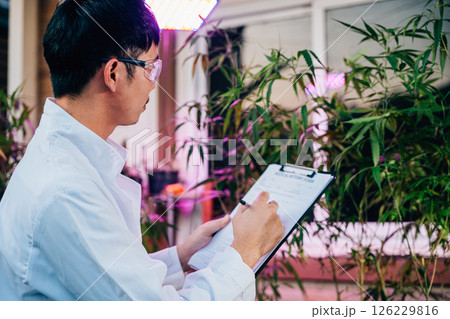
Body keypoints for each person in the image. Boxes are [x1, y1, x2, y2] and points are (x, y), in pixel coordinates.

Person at [0, 0, 283, 300]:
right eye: (152, 67)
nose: (153, 85)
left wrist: (181, 256)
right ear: (113, 73)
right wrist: (244, 253)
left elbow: (105, 275)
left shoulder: (59, 159)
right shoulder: (67, 189)